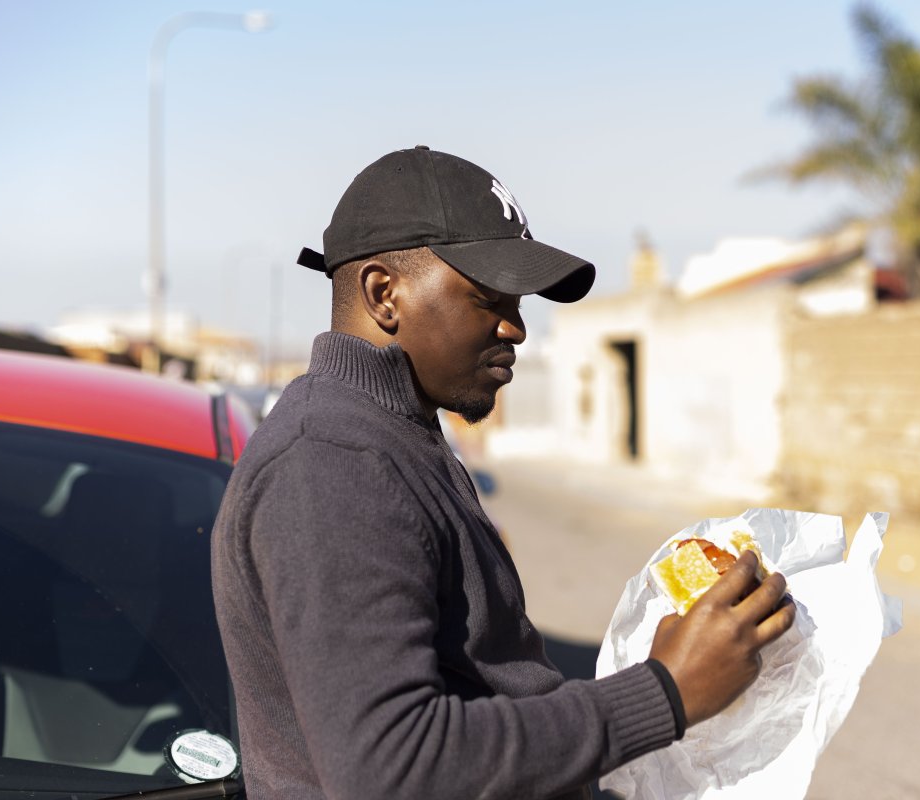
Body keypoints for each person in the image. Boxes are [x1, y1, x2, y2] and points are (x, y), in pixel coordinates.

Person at [211, 146, 796, 800]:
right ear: (385, 294)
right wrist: (664, 692)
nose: (516, 326)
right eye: (488, 297)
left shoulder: (393, 434)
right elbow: (389, 769)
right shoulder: (333, 462)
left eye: (517, 301)